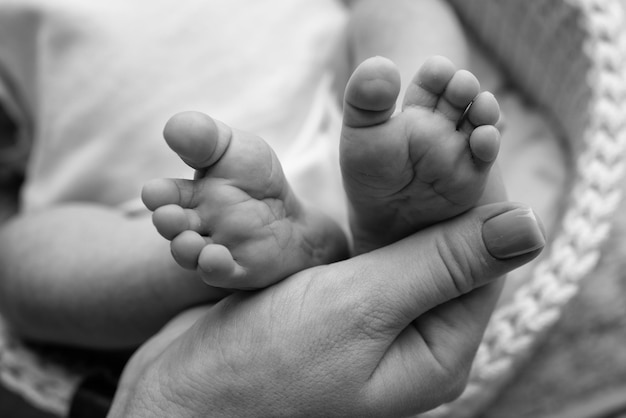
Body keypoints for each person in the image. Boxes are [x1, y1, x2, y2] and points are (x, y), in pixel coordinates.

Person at [0, 0, 500, 348]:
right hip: (172, 216)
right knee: (20, 260)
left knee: (401, 11)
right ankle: (217, 265)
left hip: (350, 120)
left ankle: (415, 133)